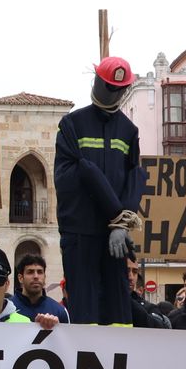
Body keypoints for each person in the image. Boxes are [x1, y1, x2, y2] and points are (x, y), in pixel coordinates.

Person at [54, 56, 146, 327]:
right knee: (86, 308)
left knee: (118, 309)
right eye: (109, 86)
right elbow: (70, 179)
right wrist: (117, 216)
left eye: (119, 89)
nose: (114, 93)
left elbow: (134, 176)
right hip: (80, 232)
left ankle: (120, 353)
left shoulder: (128, 131)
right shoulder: (72, 124)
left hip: (114, 236)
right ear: (96, 81)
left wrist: (121, 225)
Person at [10, 253, 69, 323]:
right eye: (30, 272)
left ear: (45, 277)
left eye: (40, 272)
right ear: (20, 278)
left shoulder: (59, 311)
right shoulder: (6, 308)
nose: (36, 276)